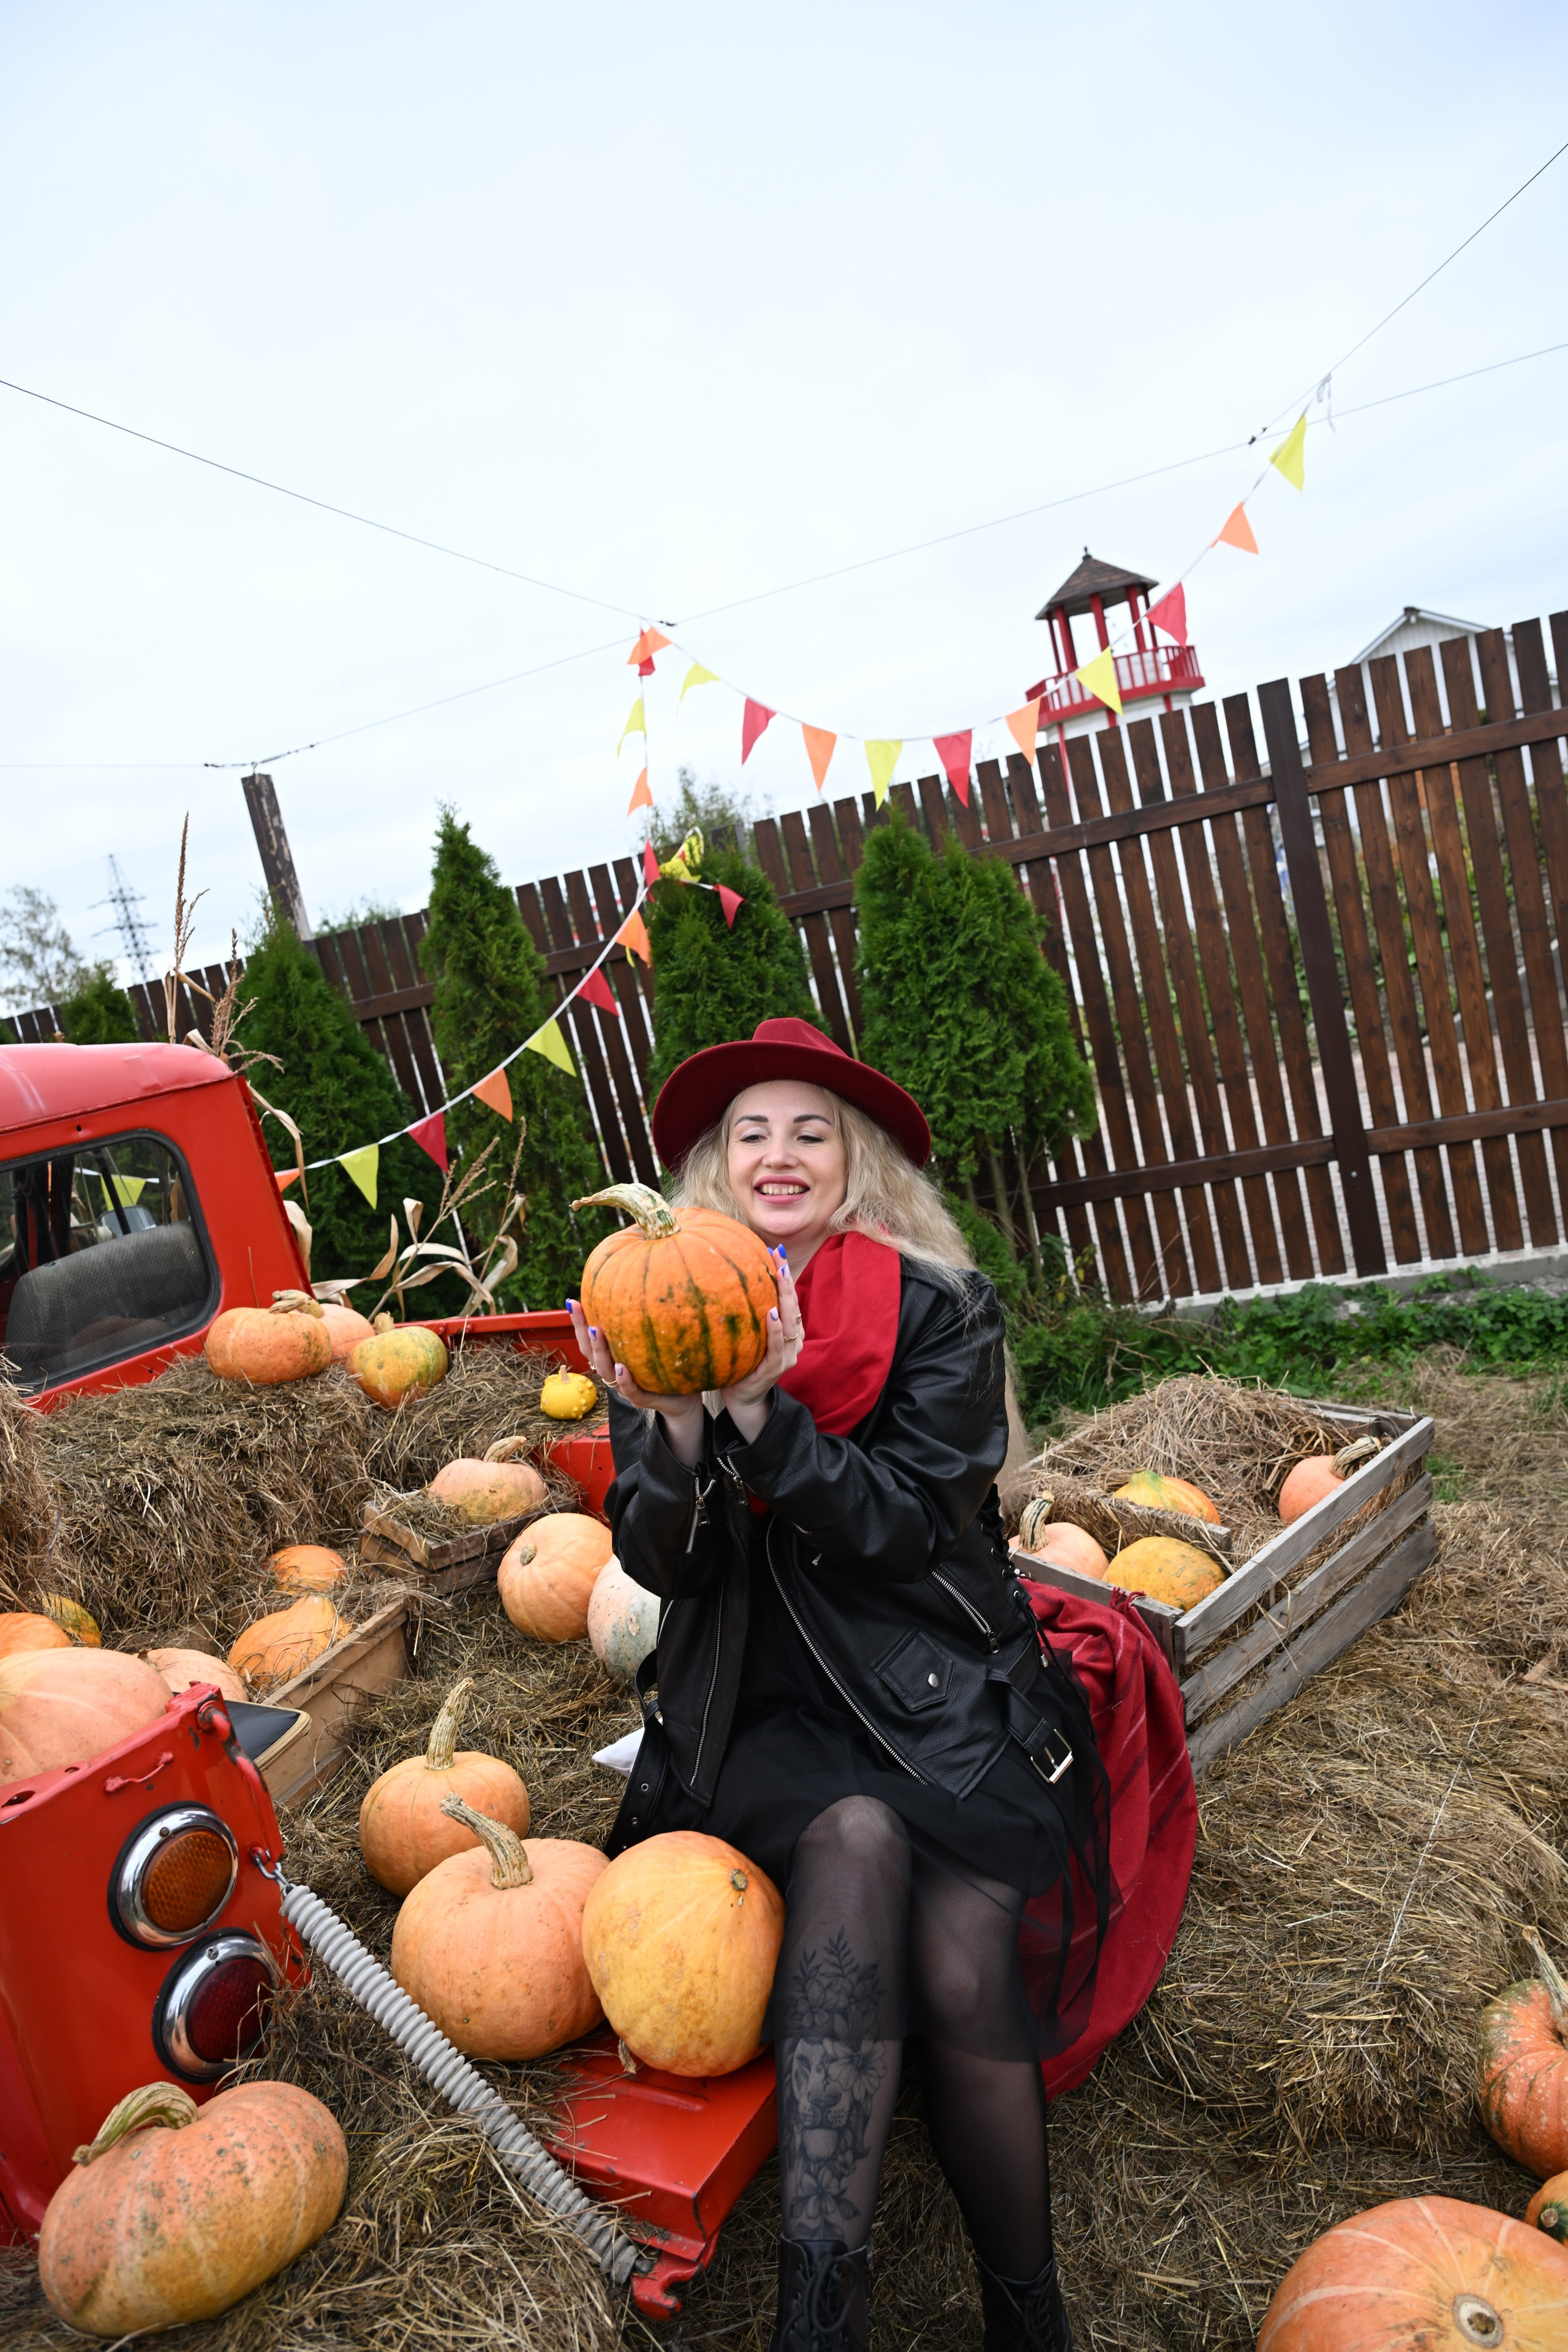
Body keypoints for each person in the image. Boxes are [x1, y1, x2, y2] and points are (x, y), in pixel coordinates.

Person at [568, 1018, 1108, 2352]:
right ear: (714, 1169)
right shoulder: (661, 1301)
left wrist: (765, 1412)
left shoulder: (938, 1307)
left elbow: (909, 1529)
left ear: (854, 1159)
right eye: (749, 1131)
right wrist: (679, 1426)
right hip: (749, 1712)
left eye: (811, 1129)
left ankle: (1024, 2316)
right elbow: (666, 1569)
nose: (780, 1152)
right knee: (852, 1841)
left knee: (959, 1956)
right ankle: (823, 2313)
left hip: (926, 1698)